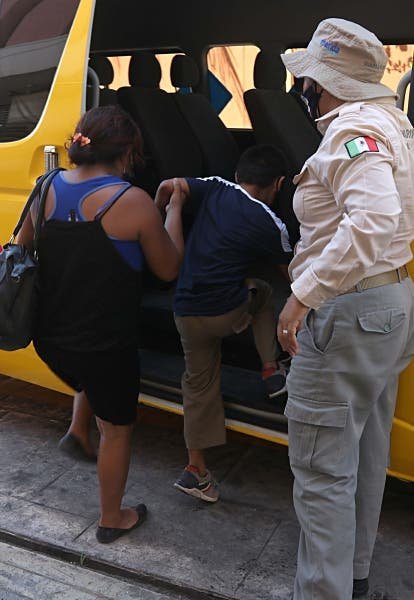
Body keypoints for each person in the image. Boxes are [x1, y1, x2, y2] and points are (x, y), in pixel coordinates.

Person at [276, 18, 414, 600]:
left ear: (323, 84)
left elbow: (374, 219)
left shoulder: (353, 130)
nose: (303, 90)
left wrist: (303, 294)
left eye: (307, 80)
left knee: (322, 469)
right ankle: (353, 577)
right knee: (365, 448)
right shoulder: (392, 123)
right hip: (389, 304)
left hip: (348, 310)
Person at [16, 105, 185, 543]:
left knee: (87, 374)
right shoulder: (133, 200)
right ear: (127, 152)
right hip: (106, 345)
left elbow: (22, 247)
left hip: (50, 339)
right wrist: (174, 210)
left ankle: (77, 430)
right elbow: (168, 268)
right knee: (117, 428)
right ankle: (113, 518)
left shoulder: (45, 186)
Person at [155, 145, 295, 503]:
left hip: (185, 310)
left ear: (237, 175)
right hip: (225, 313)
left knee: (198, 383)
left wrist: (163, 209)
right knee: (263, 291)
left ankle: (196, 470)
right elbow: (295, 279)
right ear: (278, 184)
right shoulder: (272, 224)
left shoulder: (215, 187)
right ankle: (271, 370)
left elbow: (170, 186)